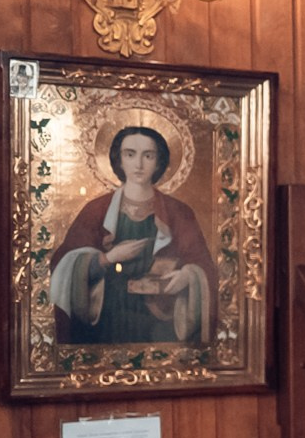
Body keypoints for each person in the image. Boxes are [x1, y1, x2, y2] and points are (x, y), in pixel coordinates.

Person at [49, 125, 215, 345]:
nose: (138, 164)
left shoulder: (178, 212)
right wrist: (107, 258)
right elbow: (62, 264)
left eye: (148, 155)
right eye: (130, 154)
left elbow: (204, 265)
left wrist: (187, 276)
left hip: (159, 322)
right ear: (119, 160)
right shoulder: (97, 210)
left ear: (159, 162)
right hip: (107, 319)